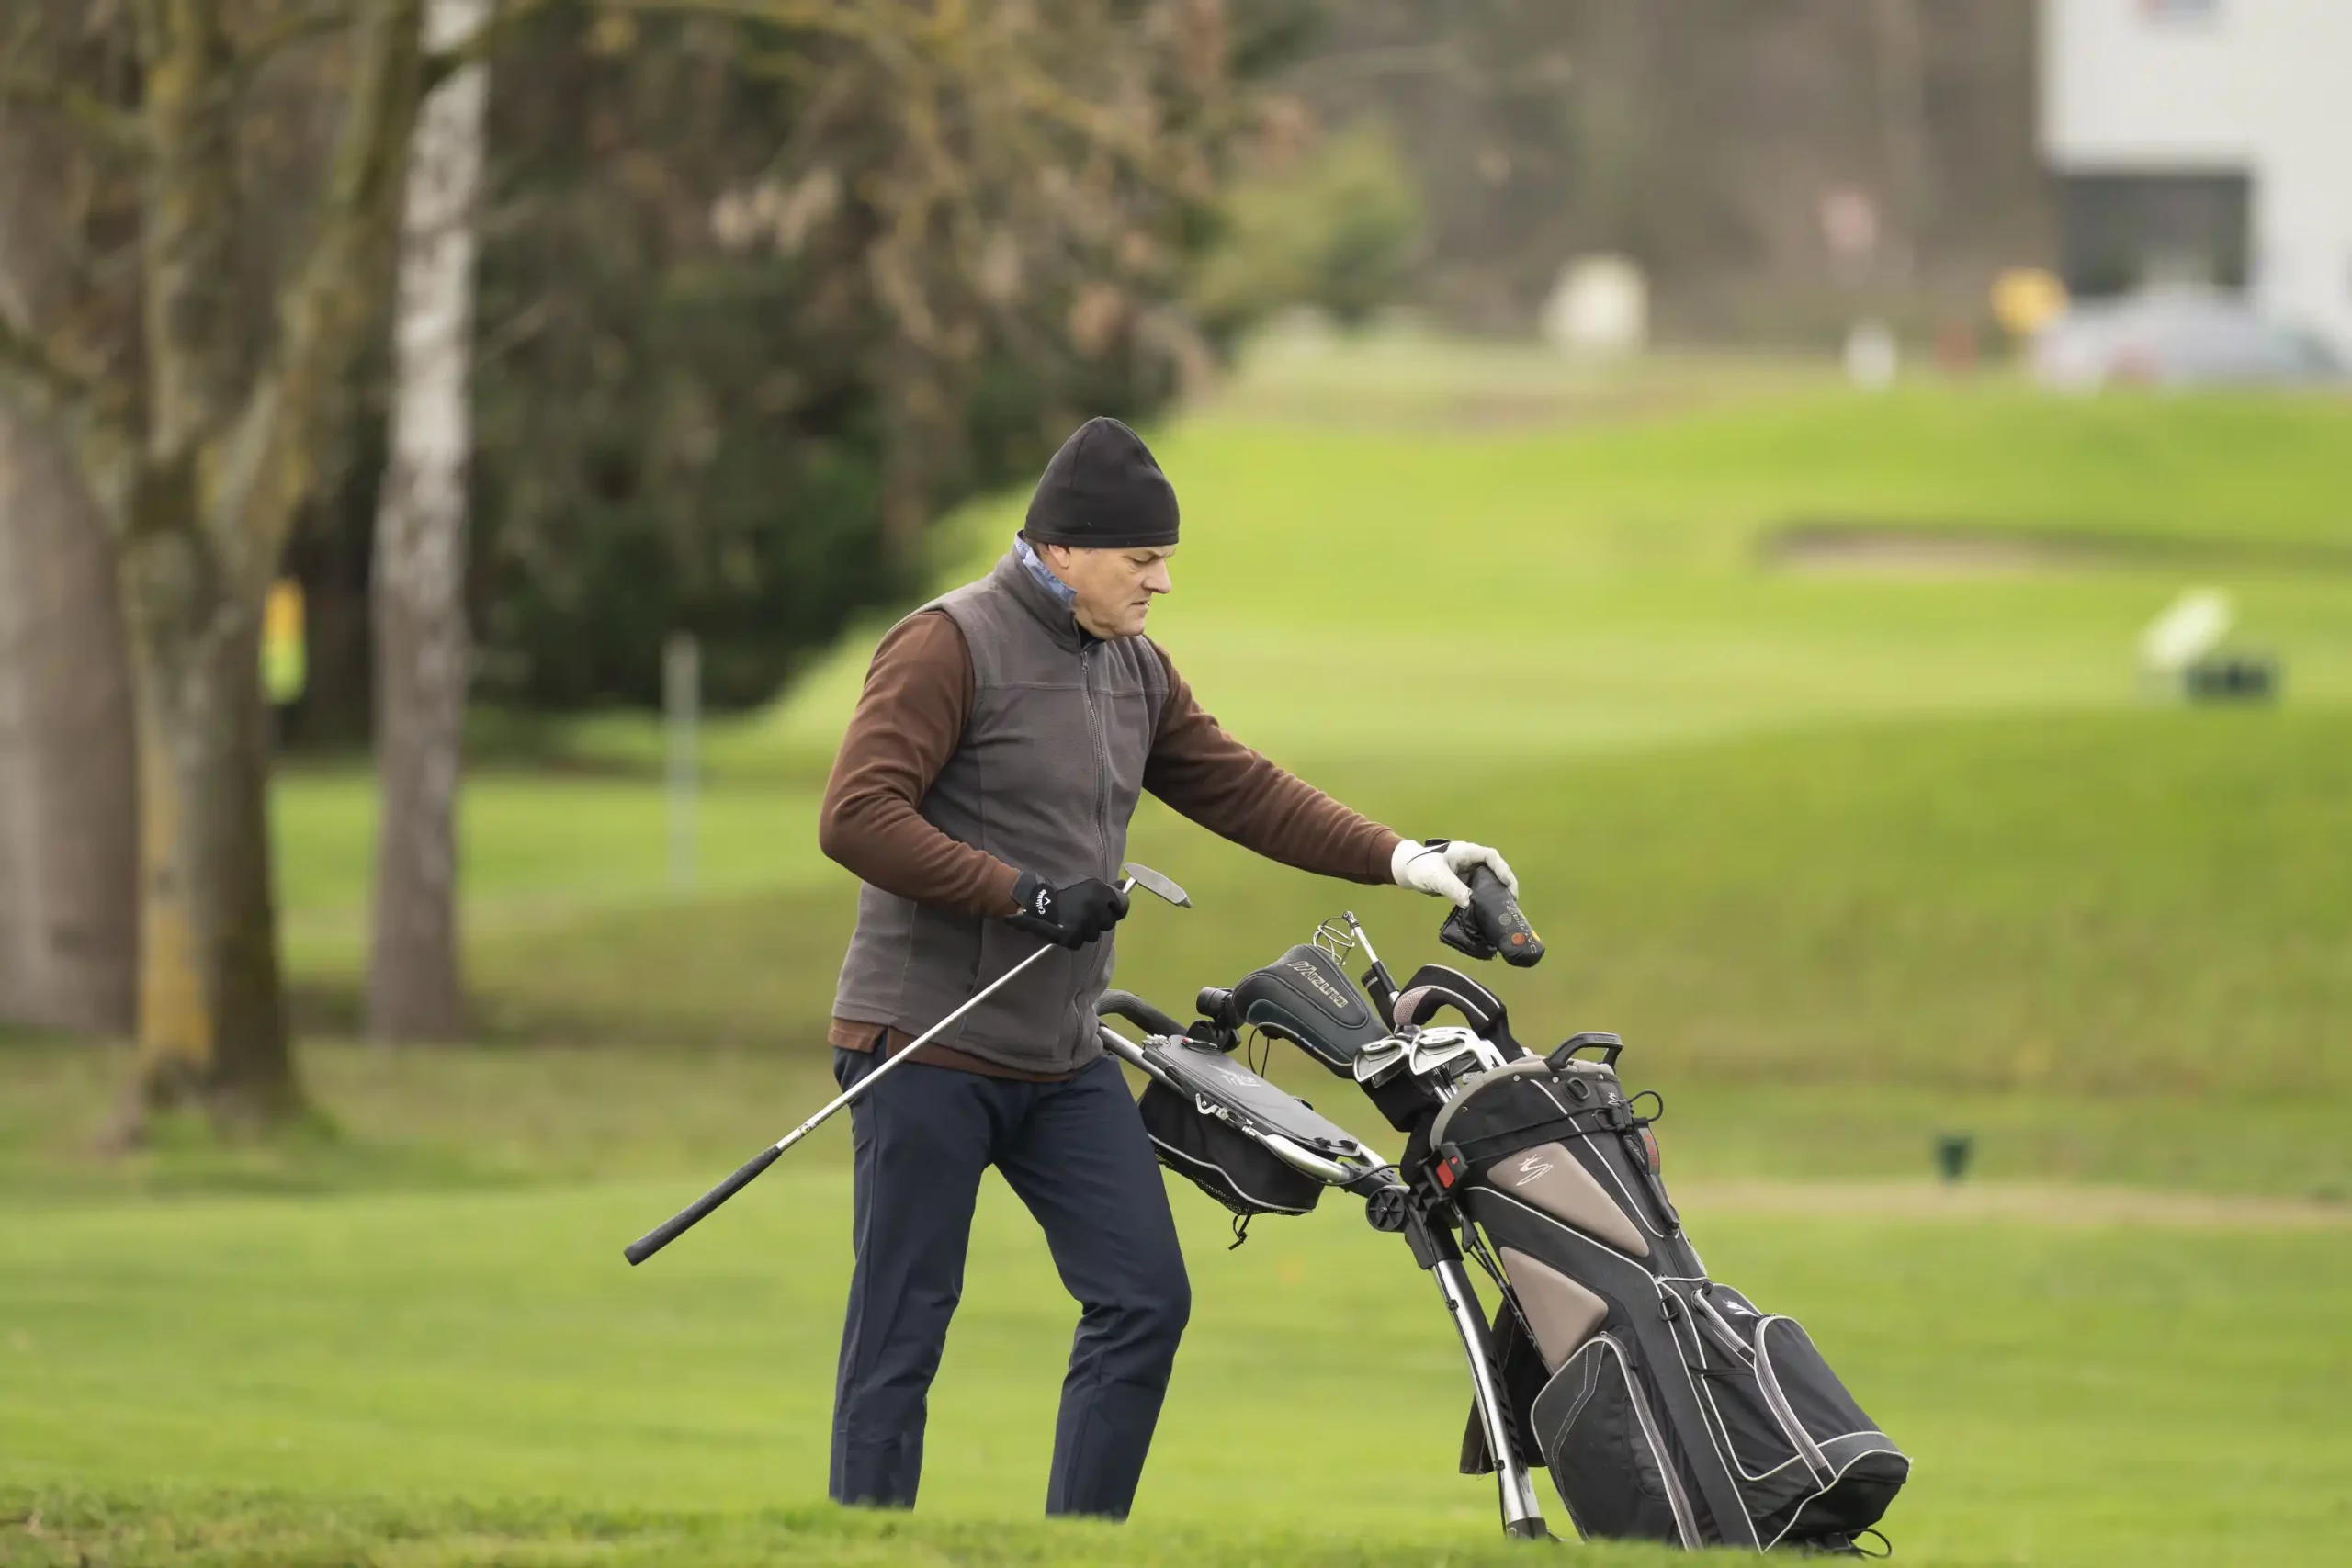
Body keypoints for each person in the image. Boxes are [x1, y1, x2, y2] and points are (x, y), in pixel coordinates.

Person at [817, 415, 1520, 1519]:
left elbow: (1242, 788)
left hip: (1059, 1058)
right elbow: (856, 816)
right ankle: (863, 1544)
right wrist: (1025, 894)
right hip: (924, 1046)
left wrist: (1407, 859)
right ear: (1062, 549)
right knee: (903, 1328)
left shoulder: (1132, 667)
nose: (1162, 582)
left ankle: (1078, 1545)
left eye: (1165, 558)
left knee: (1143, 1298)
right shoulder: (947, 644)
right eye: (1142, 559)